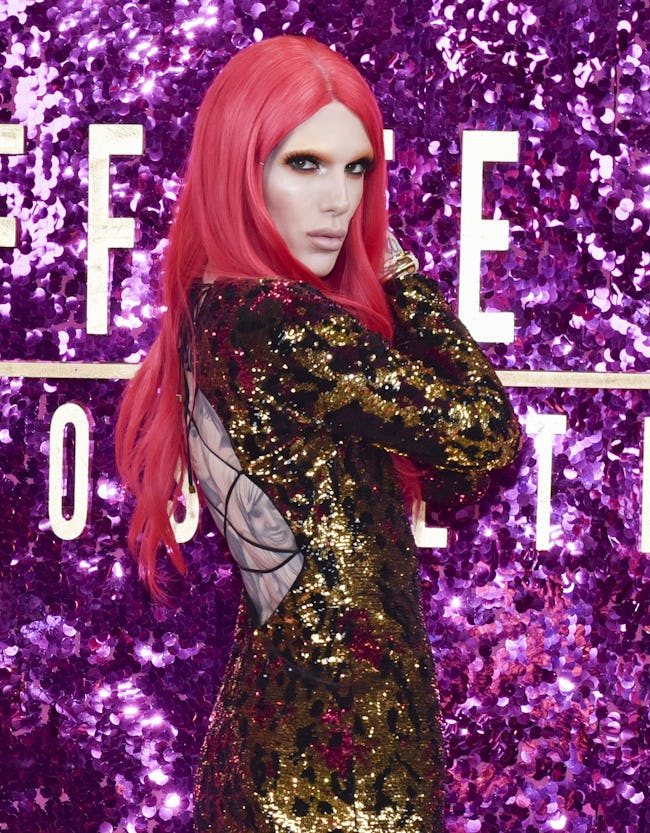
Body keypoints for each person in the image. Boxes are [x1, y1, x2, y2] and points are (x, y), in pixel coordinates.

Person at [115, 35, 522, 833]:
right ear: (240, 166)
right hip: (340, 765)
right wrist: (400, 274)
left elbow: (449, 477)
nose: (340, 200)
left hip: (279, 740)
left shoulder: (213, 309)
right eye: (305, 164)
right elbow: (486, 433)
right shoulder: (282, 322)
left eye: (357, 168)